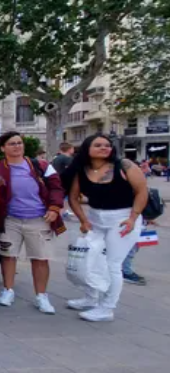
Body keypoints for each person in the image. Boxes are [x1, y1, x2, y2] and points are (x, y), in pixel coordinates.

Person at [63, 133, 148, 322]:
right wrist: (83, 220)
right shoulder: (81, 169)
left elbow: (142, 191)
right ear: (87, 149)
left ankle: (107, 308)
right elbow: (73, 197)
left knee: (112, 264)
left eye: (107, 145)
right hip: (95, 218)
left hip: (123, 219)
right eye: (98, 145)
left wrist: (133, 218)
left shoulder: (124, 165)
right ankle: (91, 298)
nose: (104, 148)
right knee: (90, 260)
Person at [0, 131, 65, 315]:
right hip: (10, 219)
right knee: (8, 256)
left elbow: (56, 187)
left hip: (39, 218)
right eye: (12, 144)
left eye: (19, 143)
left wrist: (54, 208)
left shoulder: (41, 165)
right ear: (3, 148)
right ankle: (8, 290)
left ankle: (41, 295)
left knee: (40, 258)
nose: (16, 146)